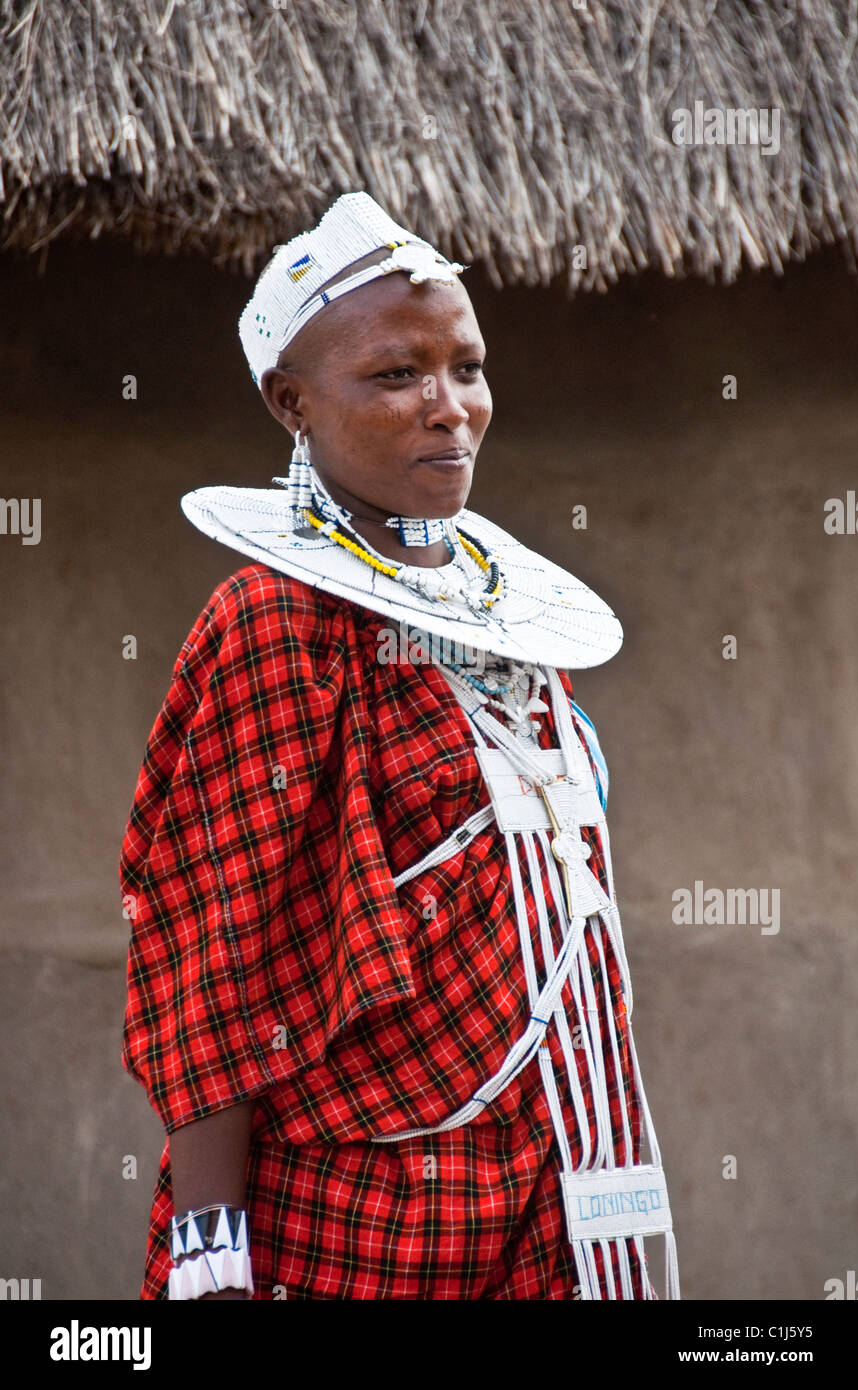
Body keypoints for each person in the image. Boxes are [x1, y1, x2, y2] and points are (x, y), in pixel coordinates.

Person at [120, 191, 678, 1301]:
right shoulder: (276, 630)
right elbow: (207, 960)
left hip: (543, 1188)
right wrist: (210, 1253)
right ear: (292, 403)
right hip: (349, 1215)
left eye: (464, 368)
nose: (448, 407)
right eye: (394, 375)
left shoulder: (510, 632)